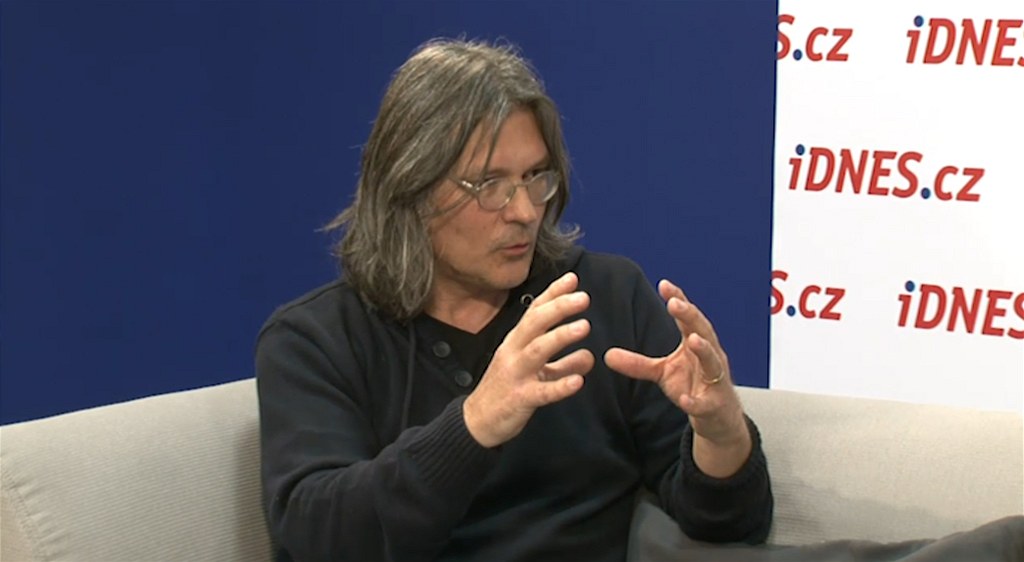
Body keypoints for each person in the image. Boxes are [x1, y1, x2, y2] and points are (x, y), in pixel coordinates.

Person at [255, 38, 773, 562]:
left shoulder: (604, 298)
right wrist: (476, 422)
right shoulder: (316, 341)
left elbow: (730, 524)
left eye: (534, 178)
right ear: (409, 188)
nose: (525, 211)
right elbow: (318, 538)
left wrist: (721, 434)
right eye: (490, 184)